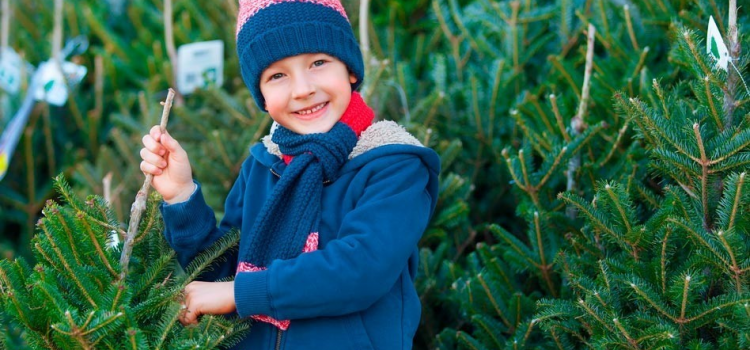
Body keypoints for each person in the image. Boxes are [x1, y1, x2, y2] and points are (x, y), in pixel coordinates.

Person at [139, 0, 440, 348]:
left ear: (350, 70)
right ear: (262, 97)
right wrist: (181, 196)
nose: (302, 89)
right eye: (277, 75)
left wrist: (240, 293)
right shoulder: (264, 165)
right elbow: (221, 274)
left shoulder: (393, 165)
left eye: (318, 62)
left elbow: (361, 269)